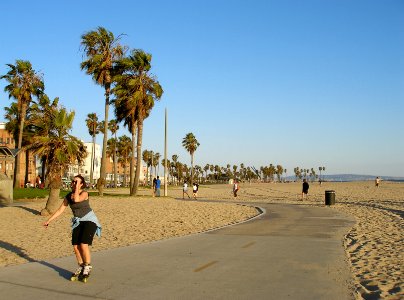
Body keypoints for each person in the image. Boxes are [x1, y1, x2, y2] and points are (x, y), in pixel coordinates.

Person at [43, 175, 101, 282]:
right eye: (73, 182)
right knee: (75, 246)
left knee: (83, 244)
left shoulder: (84, 193)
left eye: (77, 182)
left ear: (82, 184)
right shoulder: (68, 196)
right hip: (78, 221)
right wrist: (48, 221)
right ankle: (81, 265)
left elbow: (77, 200)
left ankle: (87, 266)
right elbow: (60, 210)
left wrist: (78, 187)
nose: (74, 183)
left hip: (89, 220)